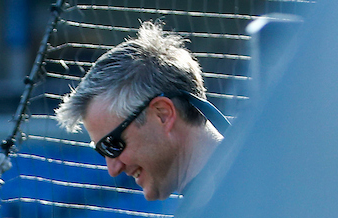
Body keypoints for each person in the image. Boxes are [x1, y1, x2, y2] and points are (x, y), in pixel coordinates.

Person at [54, 22, 229, 201]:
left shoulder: (236, 204)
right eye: (102, 152)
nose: (113, 170)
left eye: (112, 145)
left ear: (163, 115)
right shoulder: (245, 178)